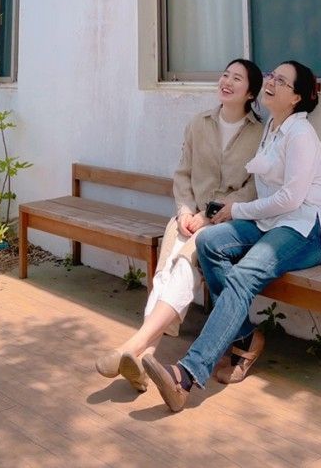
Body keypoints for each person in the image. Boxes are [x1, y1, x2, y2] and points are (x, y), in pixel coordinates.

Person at [142, 59, 321, 412]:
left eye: (281, 80)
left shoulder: (301, 133)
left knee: (243, 275)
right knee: (209, 242)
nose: (271, 82)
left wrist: (236, 210)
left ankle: (186, 375)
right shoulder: (271, 130)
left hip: (305, 228)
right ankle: (245, 334)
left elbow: (292, 198)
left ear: (296, 98)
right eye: (272, 76)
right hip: (273, 223)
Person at [94, 58, 264, 392]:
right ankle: (144, 356)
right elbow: (182, 174)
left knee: (186, 265)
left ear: (251, 92)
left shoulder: (260, 134)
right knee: (165, 272)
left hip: (222, 223)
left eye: (237, 78)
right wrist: (186, 211)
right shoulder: (198, 124)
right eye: (225, 74)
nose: (227, 81)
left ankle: (132, 347)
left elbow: (253, 188)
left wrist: (208, 216)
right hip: (187, 217)